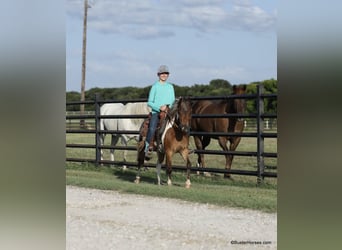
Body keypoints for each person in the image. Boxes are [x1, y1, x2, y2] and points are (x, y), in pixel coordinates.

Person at [145, 65, 175, 157]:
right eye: (162, 73)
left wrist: (167, 106)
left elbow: (173, 99)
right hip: (156, 112)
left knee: (181, 124)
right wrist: (159, 108)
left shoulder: (170, 87)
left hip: (168, 111)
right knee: (152, 128)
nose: (164, 75)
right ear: (158, 74)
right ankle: (148, 146)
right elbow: (149, 102)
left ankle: (184, 145)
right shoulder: (155, 87)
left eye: (166, 73)